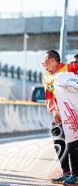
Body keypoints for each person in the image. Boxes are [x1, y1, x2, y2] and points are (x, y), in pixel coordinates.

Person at [42, 50, 78, 185]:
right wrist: (54, 111)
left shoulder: (68, 68)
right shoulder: (46, 78)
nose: (42, 62)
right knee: (59, 143)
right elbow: (49, 98)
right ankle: (66, 173)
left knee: (73, 145)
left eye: (44, 59)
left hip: (73, 114)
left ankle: (75, 174)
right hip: (59, 115)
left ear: (52, 60)